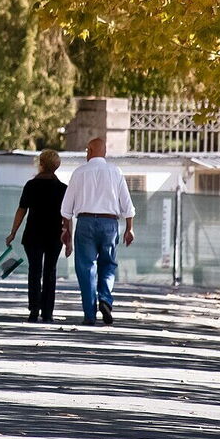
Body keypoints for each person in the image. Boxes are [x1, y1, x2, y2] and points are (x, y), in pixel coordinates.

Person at [60, 138, 135, 326]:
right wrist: (129, 228)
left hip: (85, 222)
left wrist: (66, 231)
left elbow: (66, 209)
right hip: (109, 223)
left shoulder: (79, 173)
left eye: (87, 150)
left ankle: (90, 314)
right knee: (108, 264)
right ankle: (105, 299)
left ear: (90, 150)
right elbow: (127, 204)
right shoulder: (115, 172)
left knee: (86, 267)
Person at [5, 149, 67, 323]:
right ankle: (48, 313)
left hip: (33, 235)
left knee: (34, 271)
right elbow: (66, 215)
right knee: (50, 272)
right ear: (57, 166)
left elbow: (22, 210)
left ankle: (34, 310)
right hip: (55, 235)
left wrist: (13, 233)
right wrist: (68, 237)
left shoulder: (31, 185)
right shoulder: (63, 189)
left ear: (41, 164)